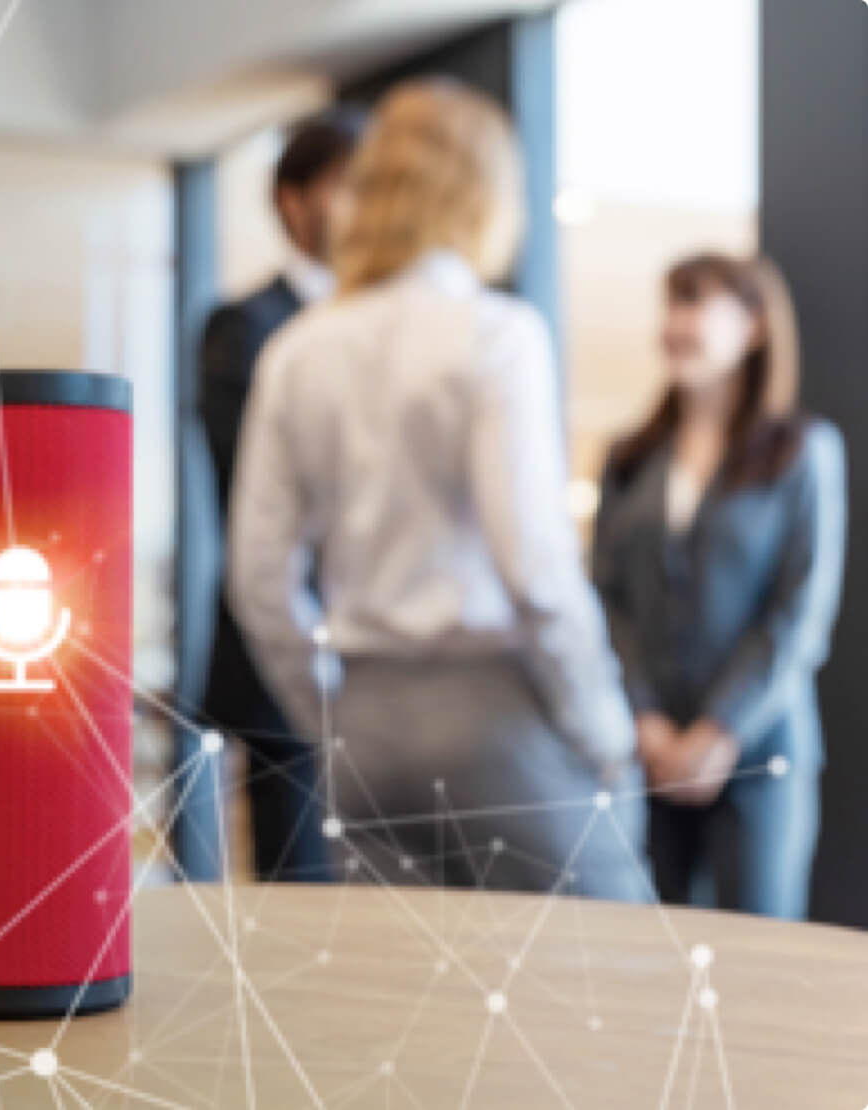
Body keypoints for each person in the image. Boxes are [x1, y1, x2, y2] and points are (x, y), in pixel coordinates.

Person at [229, 78, 647, 900]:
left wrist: (331, 719)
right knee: (618, 982)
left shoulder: (297, 351)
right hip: (491, 719)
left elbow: (257, 579)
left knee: (417, 1012)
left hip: (367, 732)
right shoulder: (496, 335)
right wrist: (604, 729)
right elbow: (535, 568)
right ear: (481, 193)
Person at [591, 253, 845, 919]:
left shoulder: (802, 452)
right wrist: (645, 717)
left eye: (694, 302)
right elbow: (607, 599)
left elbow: (799, 613)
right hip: (646, 751)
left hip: (759, 751)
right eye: (669, 303)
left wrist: (718, 731)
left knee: (759, 956)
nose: (675, 323)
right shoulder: (632, 457)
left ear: (755, 327)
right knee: (657, 957)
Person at [198, 110, 361, 882]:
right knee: (298, 900)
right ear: (294, 200)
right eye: (347, 185)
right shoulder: (245, 327)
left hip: (384, 664)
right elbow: (257, 496)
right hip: (281, 659)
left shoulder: (383, 329)